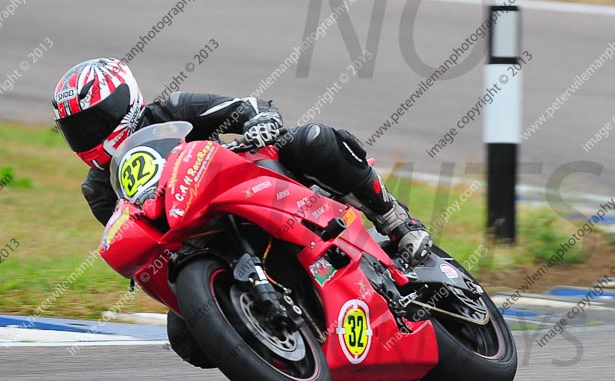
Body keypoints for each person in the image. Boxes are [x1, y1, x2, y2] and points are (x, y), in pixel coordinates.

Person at [52, 57, 432, 266]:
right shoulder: (98, 188)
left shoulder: (171, 110)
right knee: (185, 338)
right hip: (198, 240)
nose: (89, 134)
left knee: (312, 140)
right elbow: (139, 240)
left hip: (245, 183)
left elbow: (246, 106)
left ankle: (397, 221)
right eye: (77, 128)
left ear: (125, 100)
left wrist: (261, 122)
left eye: (96, 119)